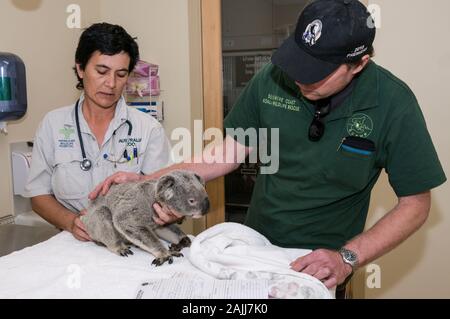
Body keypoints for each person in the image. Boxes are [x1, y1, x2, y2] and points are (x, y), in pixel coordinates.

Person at [89, 0, 446, 293]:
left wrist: (347, 258)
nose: (300, 78)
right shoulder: (273, 80)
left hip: (321, 258)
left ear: (359, 64)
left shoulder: (393, 104)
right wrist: (147, 182)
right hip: (252, 244)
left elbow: (415, 204)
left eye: (317, 71)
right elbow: (226, 152)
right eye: (297, 62)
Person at [24, 23, 171, 242]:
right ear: (81, 69)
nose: (111, 84)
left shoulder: (148, 129)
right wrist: (71, 222)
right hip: (74, 245)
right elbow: (38, 195)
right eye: (101, 71)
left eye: (121, 74)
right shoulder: (53, 125)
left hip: (132, 243)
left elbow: (165, 197)